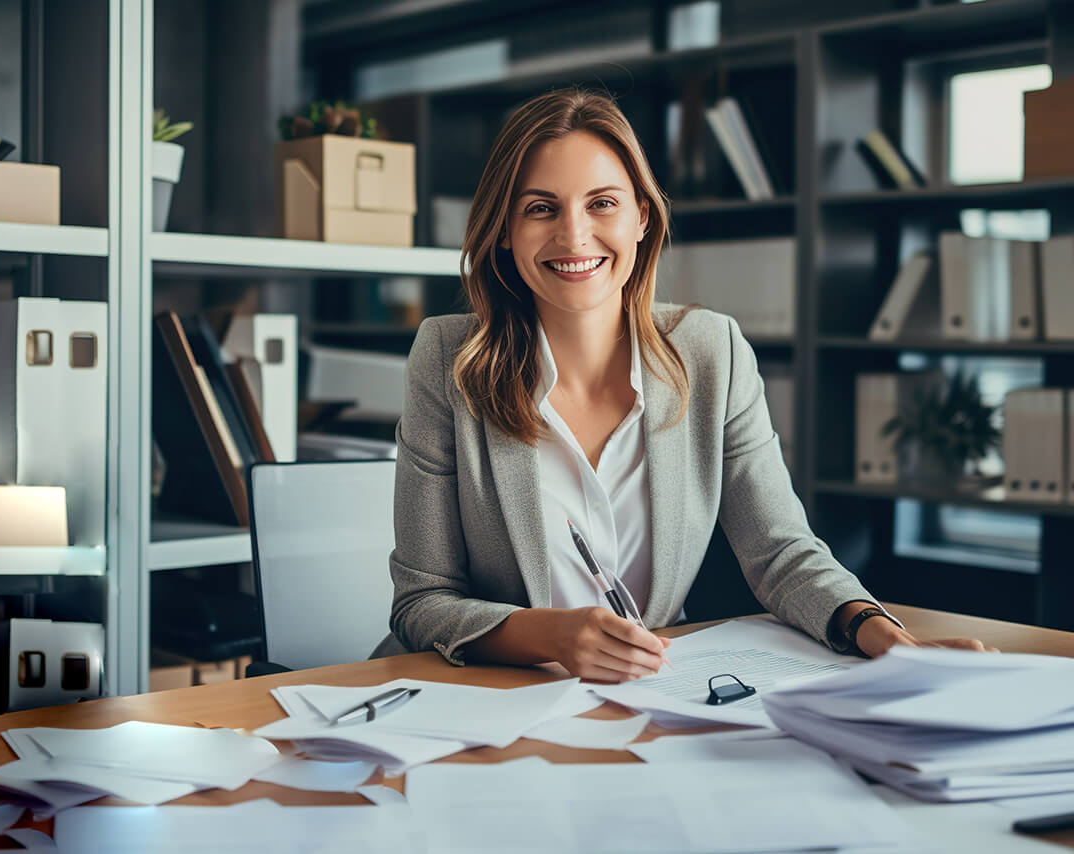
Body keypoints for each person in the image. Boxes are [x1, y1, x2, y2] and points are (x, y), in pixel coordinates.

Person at [374, 88, 990, 681]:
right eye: (541, 208)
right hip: (481, 697)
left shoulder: (711, 352)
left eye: (602, 203)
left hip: (651, 696)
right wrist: (551, 635)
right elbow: (422, 601)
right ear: (504, 230)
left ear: (642, 216)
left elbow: (782, 555)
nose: (573, 235)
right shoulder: (448, 359)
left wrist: (887, 639)